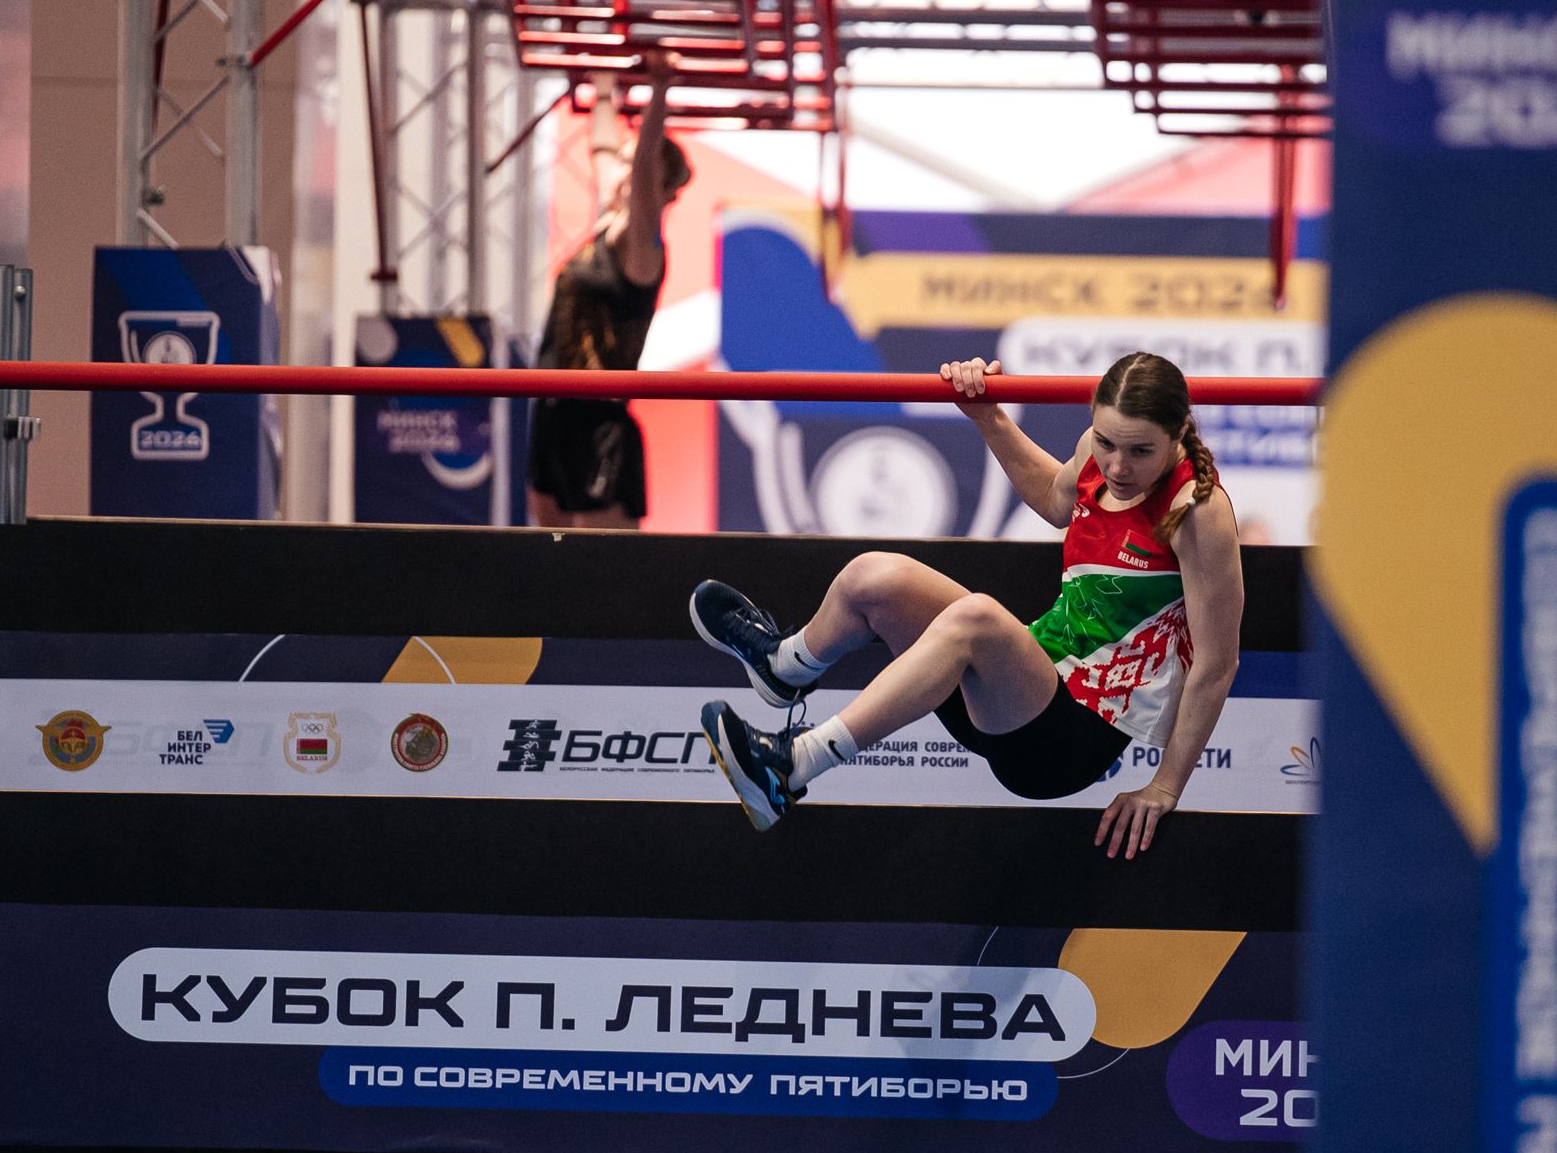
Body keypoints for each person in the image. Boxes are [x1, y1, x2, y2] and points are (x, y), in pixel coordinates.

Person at [690, 352, 1244, 857]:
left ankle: (791, 767)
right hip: (1022, 693)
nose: (1118, 467)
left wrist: (1165, 785)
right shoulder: (1095, 454)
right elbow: (1054, 500)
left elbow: (1217, 663)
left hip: (1067, 741)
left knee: (976, 618)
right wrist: (987, 416)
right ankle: (786, 667)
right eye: (1106, 443)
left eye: (1140, 451)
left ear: (1179, 432)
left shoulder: (1197, 510)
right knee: (874, 577)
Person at [526, 51, 691, 528]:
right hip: (554, 410)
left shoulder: (641, 249)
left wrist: (659, 89)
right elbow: (603, 144)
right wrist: (602, 79)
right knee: (548, 556)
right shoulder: (606, 221)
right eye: (621, 160)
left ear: (659, 188)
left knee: (601, 563)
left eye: (632, 163)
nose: (621, 168)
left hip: (598, 423)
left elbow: (642, 168)